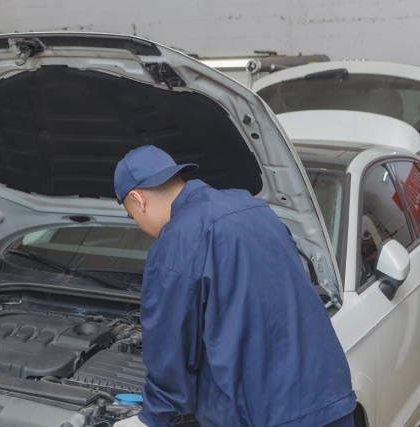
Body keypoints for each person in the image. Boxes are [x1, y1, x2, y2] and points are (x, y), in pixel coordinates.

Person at [113, 146, 356, 427]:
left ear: (138, 199)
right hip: (330, 397)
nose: (141, 226)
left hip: (269, 415)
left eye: (133, 218)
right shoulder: (254, 208)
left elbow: (171, 346)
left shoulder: (178, 240)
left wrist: (152, 417)